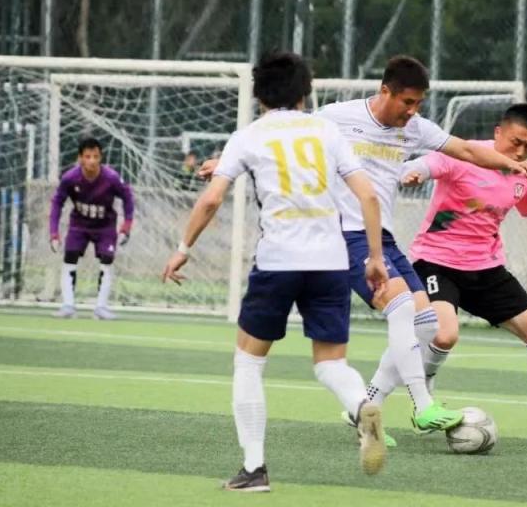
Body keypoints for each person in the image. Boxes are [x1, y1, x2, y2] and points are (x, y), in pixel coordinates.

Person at [201, 55, 527, 442]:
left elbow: (468, 151)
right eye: (407, 102)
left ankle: (364, 406)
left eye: (418, 104)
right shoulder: (338, 117)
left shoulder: (415, 128)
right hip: (346, 233)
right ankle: (423, 405)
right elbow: (282, 135)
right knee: (401, 307)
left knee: (427, 324)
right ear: (385, 91)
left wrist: (509, 164)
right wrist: (224, 161)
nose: (412, 111)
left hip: (381, 236)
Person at [162, 52, 390, 491]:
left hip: (278, 261)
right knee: (331, 363)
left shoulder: (248, 136)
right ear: (305, 92)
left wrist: (182, 248)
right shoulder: (327, 131)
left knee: (248, 361)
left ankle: (254, 469)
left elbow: (211, 199)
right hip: (330, 261)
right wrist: (375, 258)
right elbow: (368, 196)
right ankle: (361, 407)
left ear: (259, 95)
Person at [370, 103, 527, 445]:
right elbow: (427, 163)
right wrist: (413, 172)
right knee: (442, 334)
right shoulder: (465, 153)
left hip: (486, 268)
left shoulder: (522, 175)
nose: (521, 151)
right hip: (436, 262)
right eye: (515, 142)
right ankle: (416, 402)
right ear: (498, 132)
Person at [49, 137, 133, 320]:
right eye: (87, 156)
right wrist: (53, 233)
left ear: (101, 157)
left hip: (105, 226)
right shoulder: (70, 178)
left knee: (107, 261)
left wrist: (126, 226)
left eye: (96, 156)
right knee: (70, 258)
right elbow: (57, 202)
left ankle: (101, 307)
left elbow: (128, 197)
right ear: (80, 158)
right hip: (79, 225)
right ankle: (68, 305)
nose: (92, 161)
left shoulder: (111, 178)